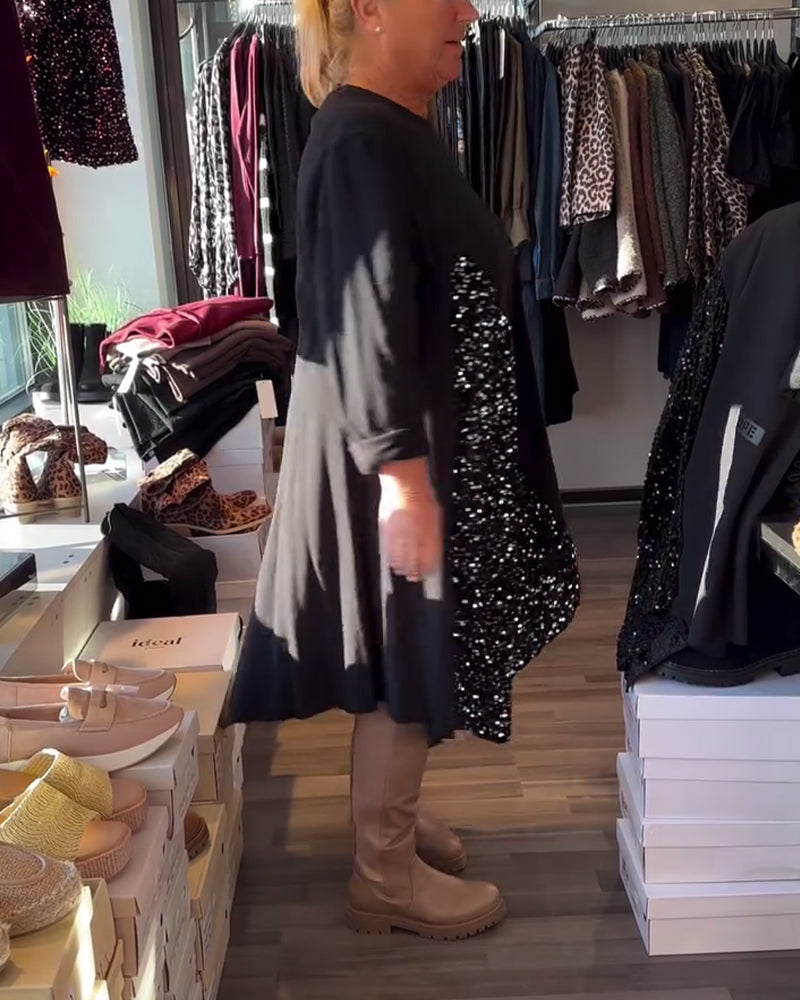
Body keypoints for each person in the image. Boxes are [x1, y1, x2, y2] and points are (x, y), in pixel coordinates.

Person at [226, 0, 581, 940]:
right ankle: (381, 870)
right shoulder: (359, 138)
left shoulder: (395, 126)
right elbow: (363, 313)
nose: (469, 12)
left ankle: (388, 814)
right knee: (410, 645)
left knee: (408, 647)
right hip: (396, 455)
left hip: (420, 445)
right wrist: (404, 481)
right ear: (372, 11)